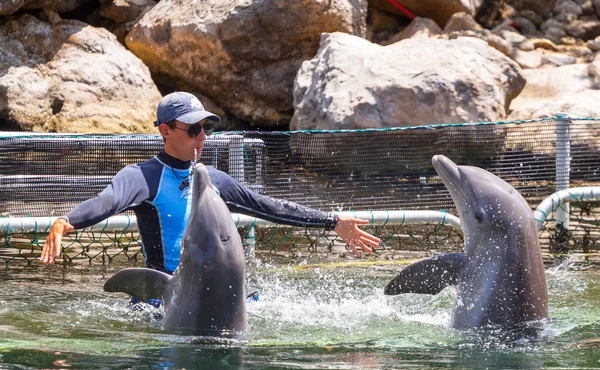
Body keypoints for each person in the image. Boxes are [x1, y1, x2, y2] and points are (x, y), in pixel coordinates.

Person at [40, 92, 381, 271]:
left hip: (215, 287)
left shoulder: (215, 180)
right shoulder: (142, 177)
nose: (201, 137)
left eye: (206, 128)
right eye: (192, 129)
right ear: (165, 130)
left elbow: (269, 207)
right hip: (166, 295)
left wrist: (332, 221)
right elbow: (107, 202)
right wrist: (65, 221)